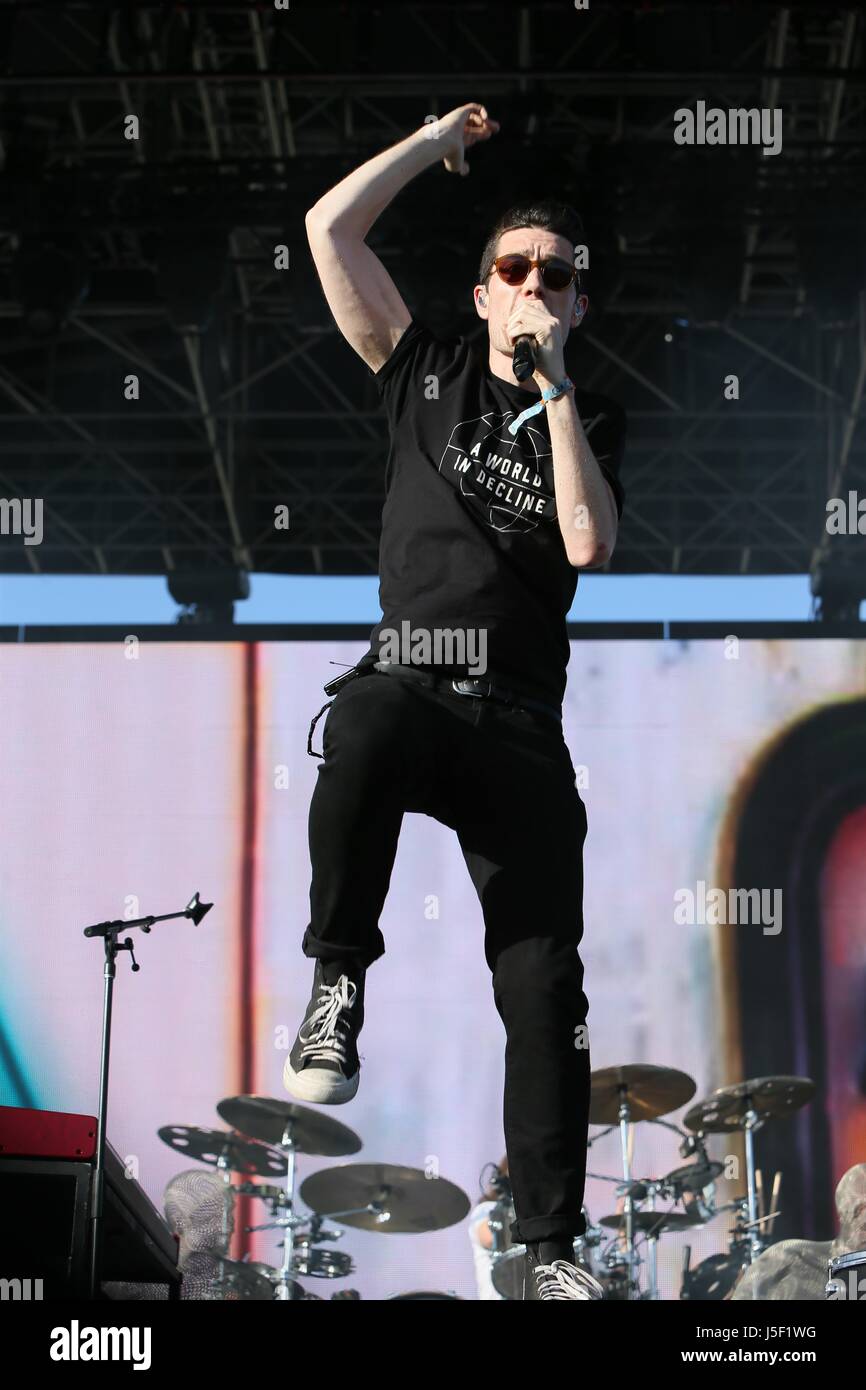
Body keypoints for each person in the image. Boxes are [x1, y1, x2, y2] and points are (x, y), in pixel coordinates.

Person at [282, 103, 626, 1301]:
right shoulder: (418, 367)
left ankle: (547, 1249)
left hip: (522, 725)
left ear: (576, 300)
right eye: (512, 268)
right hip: (415, 675)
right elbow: (328, 227)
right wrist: (435, 147)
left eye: (555, 275)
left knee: (543, 986)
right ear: (481, 288)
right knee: (364, 719)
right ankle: (336, 984)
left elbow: (583, 542)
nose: (532, 284)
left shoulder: (587, 410)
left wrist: (558, 389)